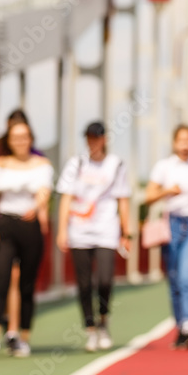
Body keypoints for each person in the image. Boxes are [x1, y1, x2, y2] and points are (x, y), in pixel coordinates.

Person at [0, 120, 53, 357]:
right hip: (6, 225)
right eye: (15, 137)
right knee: (1, 277)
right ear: (9, 141)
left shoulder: (42, 165)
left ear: (31, 139)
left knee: (26, 284)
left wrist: (38, 204)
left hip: (30, 226)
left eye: (24, 137)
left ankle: (22, 335)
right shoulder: (0, 165)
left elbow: (45, 191)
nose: (20, 142)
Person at [56, 122, 132, 352]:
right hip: (79, 229)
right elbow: (66, 198)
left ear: (105, 139)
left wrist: (126, 232)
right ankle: (90, 329)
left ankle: (103, 320)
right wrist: (61, 230)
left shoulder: (116, 164)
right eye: (89, 138)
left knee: (105, 280)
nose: (93, 142)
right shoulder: (76, 163)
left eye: (97, 138)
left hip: (107, 229)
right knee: (84, 282)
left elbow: (123, 199)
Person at [146, 125, 188, 349]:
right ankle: (180, 326)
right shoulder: (164, 167)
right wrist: (167, 192)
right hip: (172, 224)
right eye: (181, 140)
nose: (185, 145)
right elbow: (148, 196)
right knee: (174, 279)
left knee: (186, 276)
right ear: (174, 143)